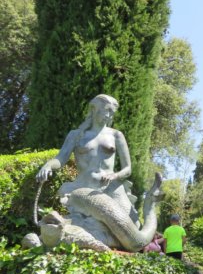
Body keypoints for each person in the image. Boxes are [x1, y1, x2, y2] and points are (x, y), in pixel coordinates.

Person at [36, 94, 140, 228]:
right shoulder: (76, 135)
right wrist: (48, 165)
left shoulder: (116, 135)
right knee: (82, 225)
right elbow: (61, 159)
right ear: (94, 109)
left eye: (112, 113)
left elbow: (128, 169)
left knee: (132, 225)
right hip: (82, 187)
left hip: (110, 188)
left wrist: (115, 176)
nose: (109, 116)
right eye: (107, 110)